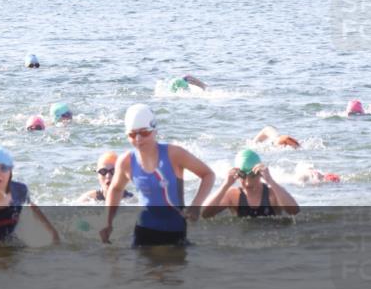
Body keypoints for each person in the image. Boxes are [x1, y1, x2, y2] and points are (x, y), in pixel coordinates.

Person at [100, 104, 215, 247]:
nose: (138, 139)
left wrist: (196, 206)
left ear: (154, 131)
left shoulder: (174, 154)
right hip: (143, 229)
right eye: (132, 134)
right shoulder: (126, 161)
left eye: (144, 133)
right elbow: (116, 189)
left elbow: (208, 174)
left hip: (175, 230)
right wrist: (108, 222)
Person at [202, 149, 300, 218]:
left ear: (260, 174)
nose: (248, 183)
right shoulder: (232, 196)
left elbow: (294, 211)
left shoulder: (273, 194)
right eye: (243, 176)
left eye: (253, 176)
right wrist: (225, 185)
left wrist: (271, 181)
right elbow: (204, 214)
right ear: (237, 175)